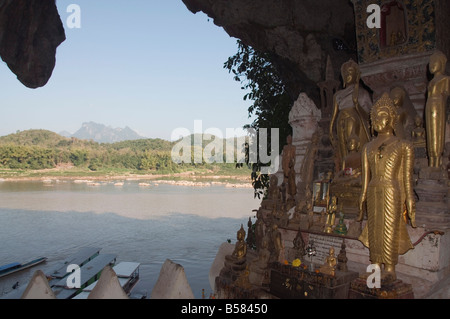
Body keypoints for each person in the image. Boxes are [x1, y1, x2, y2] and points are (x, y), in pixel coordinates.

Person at [357, 93, 416, 280]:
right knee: (374, 226)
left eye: (382, 115)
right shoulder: (367, 147)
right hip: (374, 189)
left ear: (392, 118)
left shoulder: (403, 145)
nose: (377, 119)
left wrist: (411, 200)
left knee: (390, 225)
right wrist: (362, 197)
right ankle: (374, 265)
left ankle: (390, 267)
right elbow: (366, 178)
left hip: (392, 189)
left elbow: (406, 177)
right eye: (375, 116)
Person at [329, 59, 372, 172]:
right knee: (342, 147)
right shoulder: (338, 95)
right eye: (346, 73)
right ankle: (345, 171)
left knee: (352, 144)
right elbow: (333, 116)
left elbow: (369, 116)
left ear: (356, 75)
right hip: (340, 120)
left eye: (351, 72)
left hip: (353, 120)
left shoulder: (362, 93)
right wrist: (330, 131)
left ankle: (357, 170)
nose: (348, 75)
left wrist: (357, 105)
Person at [425, 50, 450, 168]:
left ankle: (437, 161)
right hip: (430, 106)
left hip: (439, 106)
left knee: (437, 132)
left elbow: (445, 96)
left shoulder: (445, 79)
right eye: (430, 62)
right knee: (430, 133)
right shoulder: (430, 83)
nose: (431, 64)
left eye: (434, 61)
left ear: (441, 64)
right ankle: (431, 161)